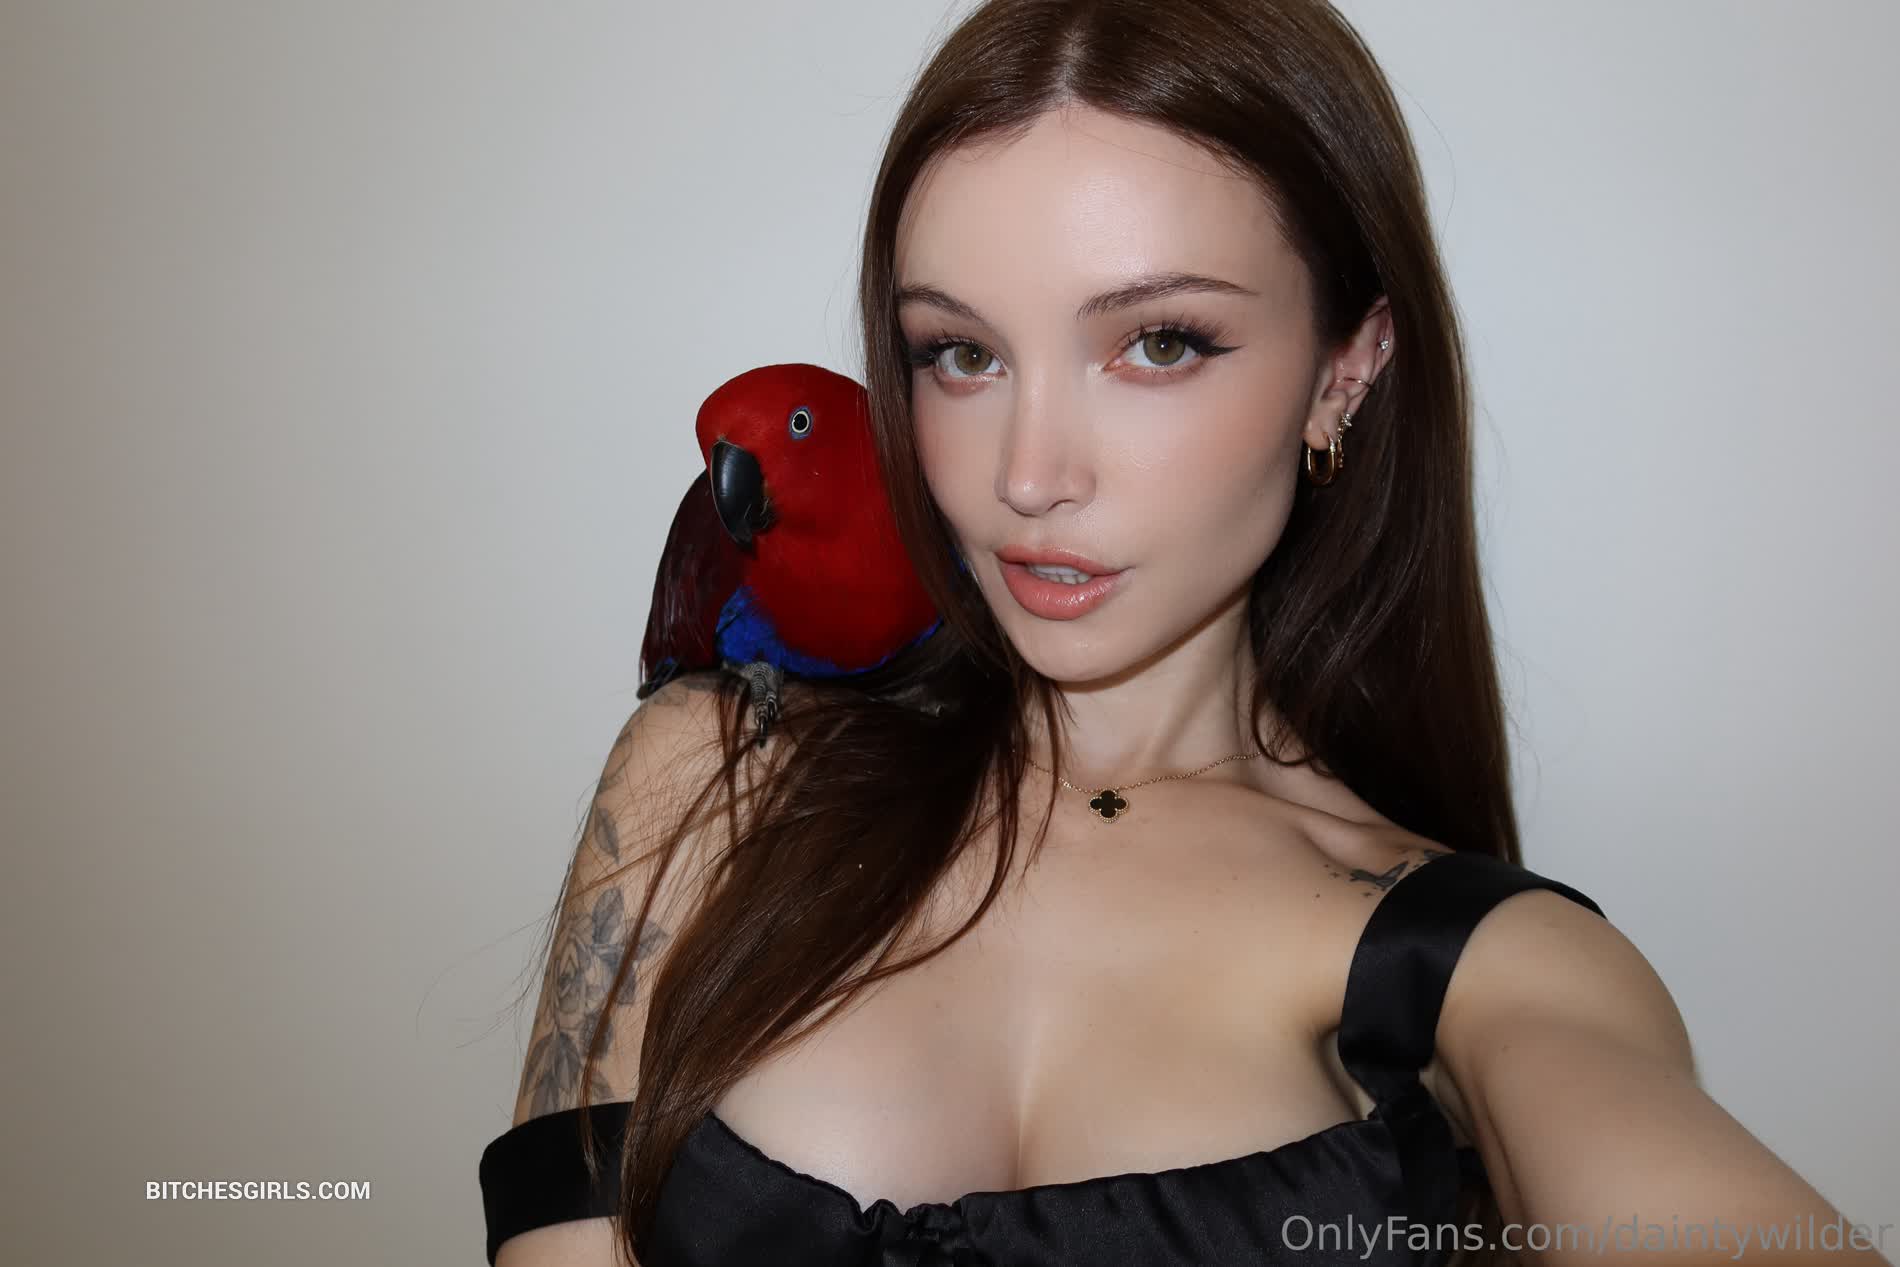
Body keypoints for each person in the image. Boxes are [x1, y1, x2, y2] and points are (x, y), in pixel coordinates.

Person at [479, 2, 1890, 1264]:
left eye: (1157, 343)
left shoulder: (1476, 966)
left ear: (1344, 375)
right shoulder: (711, 779)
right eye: (961, 354)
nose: (1030, 475)